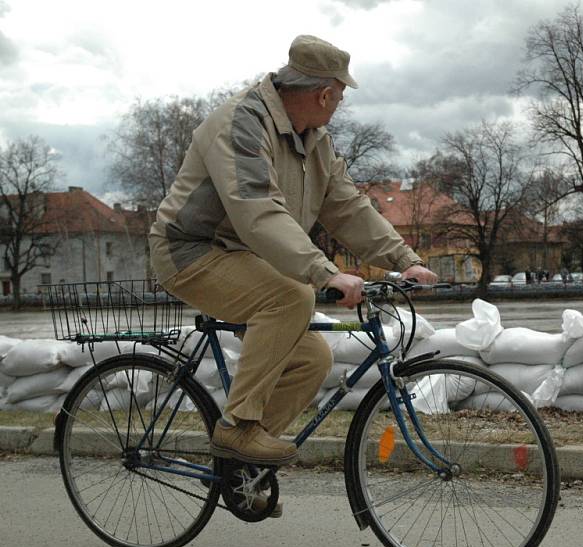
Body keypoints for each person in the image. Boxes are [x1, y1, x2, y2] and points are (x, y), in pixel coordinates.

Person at [149, 35, 437, 473]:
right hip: (191, 252)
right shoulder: (242, 123)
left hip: (250, 258)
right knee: (290, 297)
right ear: (325, 94)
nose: (338, 105)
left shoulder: (313, 140)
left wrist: (404, 259)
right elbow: (258, 210)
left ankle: (241, 466)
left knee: (312, 359)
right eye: (340, 96)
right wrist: (324, 272)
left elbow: (348, 206)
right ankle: (238, 426)